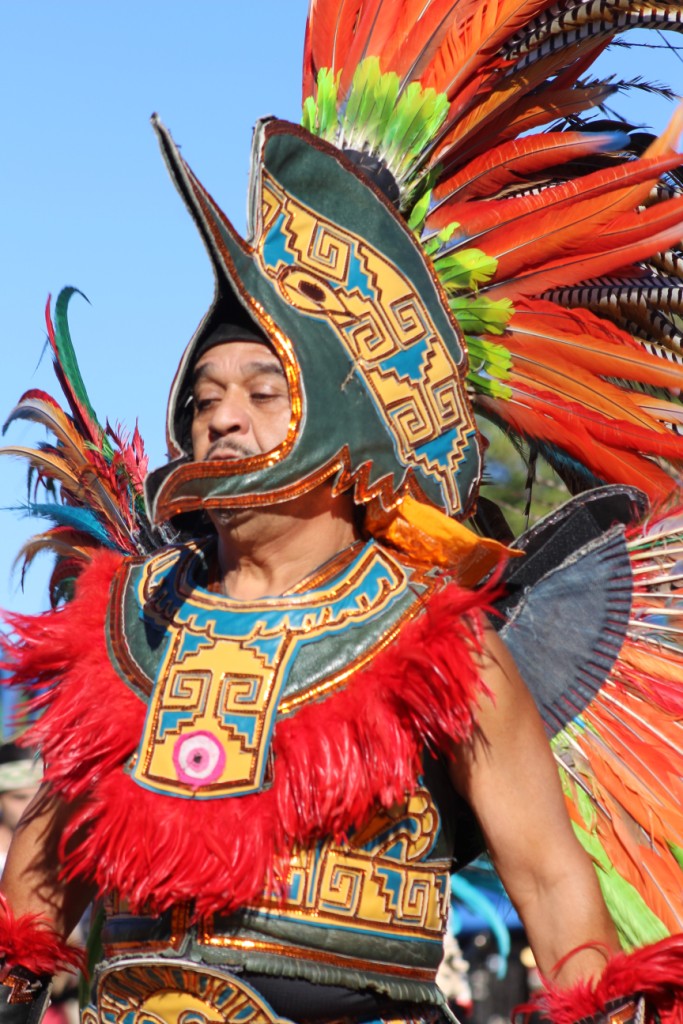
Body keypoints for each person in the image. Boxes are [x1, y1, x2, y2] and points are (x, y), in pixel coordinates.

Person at [2, 3, 683, 1021]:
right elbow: (38, 890)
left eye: (261, 393)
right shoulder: (128, 625)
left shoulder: (437, 642)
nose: (219, 417)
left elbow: (545, 881)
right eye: (201, 397)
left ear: (337, 429)